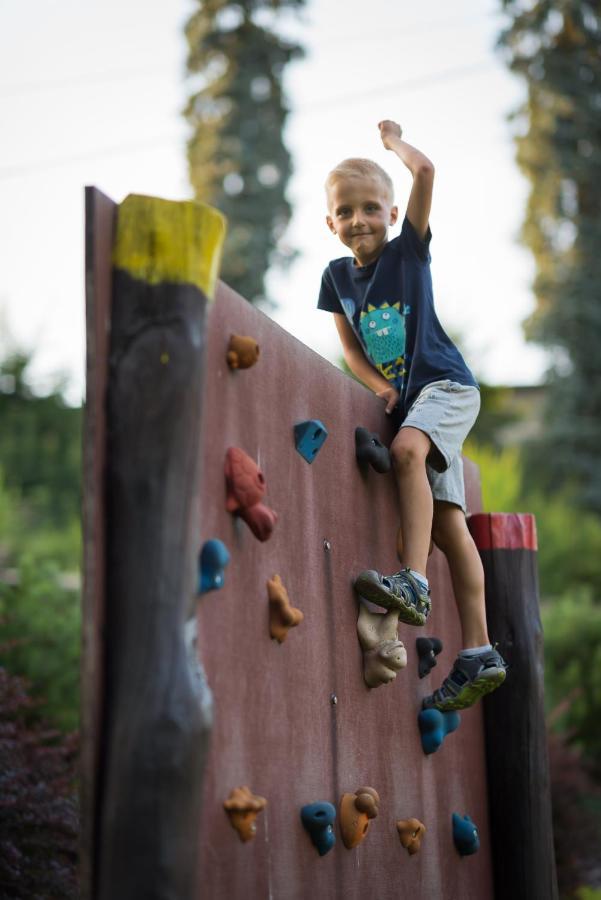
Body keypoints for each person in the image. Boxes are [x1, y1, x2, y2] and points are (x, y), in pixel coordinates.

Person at [317, 120, 507, 711]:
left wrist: (392, 143)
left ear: (393, 214)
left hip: (446, 387)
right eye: (346, 212)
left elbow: (425, 172)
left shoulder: (409, 252)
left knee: (404, 453)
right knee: (450, 527)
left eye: (371, 208)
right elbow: (349, 347)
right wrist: (377, 387)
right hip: (413, 405)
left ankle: (413, 583)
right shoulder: (336, 277)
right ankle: (479, 651)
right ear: (331, 222)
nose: (359, 220)